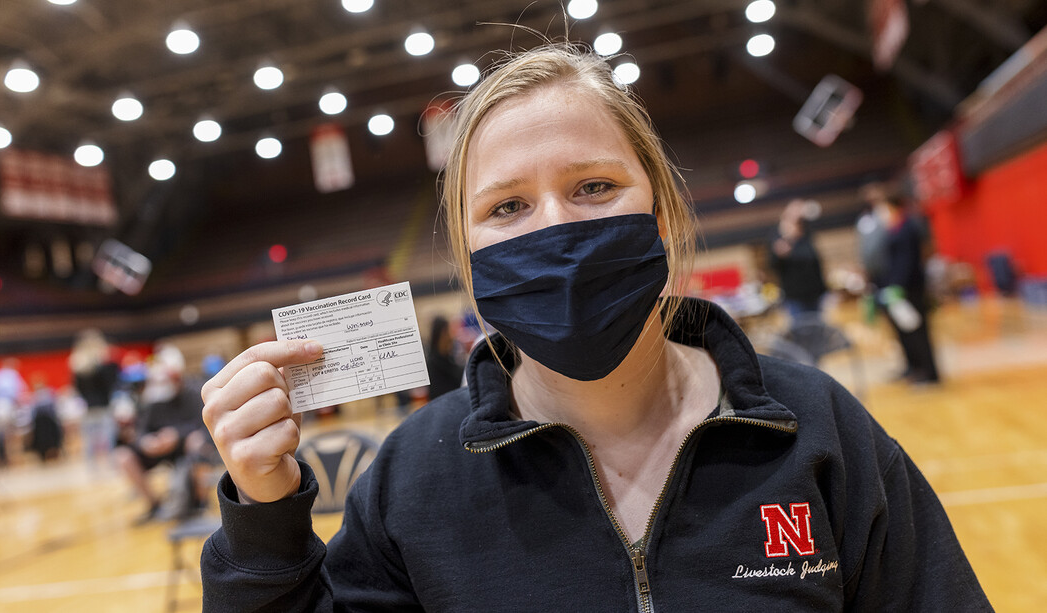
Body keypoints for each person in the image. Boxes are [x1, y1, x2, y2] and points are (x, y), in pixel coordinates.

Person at [199, 44, 989, 611]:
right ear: (470, 257)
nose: (554, 228)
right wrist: (264, 514)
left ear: (662, 210)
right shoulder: (414, 478)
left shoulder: (819, 431)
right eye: (507, 206)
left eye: (594, 185)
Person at [114, 344, 206, 523]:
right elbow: (141, 430)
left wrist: (176, 435)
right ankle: (154, 505)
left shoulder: (195, 393)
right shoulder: (153, 398)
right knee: (122, 456)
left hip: (184, 446)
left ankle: (199, 501)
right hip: (158, 448)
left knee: (196, 442)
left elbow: (201, 424)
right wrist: (146, 442)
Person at [873, 191, 941, 384]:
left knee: (918, 332)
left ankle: (930, 374)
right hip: (894, 289)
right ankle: (914, 367)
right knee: (904, 333)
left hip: (910, 289)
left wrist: (898, 286)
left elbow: (908, 261)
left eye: (883, 207)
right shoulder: (892, 229)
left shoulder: (909, 227)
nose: (881, 212)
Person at [768, 199, 827, 322]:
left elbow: (814, 259)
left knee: (818, 329)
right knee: (800, 331)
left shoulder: (806, 232)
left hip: (815, 292)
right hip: (794, 294)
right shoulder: (777, 235)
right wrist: (786, 243)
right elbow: (773, 264)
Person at [69, 329, 120, 467]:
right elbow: (111, 383)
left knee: (90, 440)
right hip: (103, 406)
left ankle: (92, 467)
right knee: (108, 438)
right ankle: (111, 464)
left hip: (88, 407)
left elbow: (77, 389)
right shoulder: (102, 365)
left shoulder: (78, 367)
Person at [425, 315, 465, 400]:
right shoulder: (434, 365)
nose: (451, 337)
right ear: (442, 334)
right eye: (448, 332)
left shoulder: (448, 359)